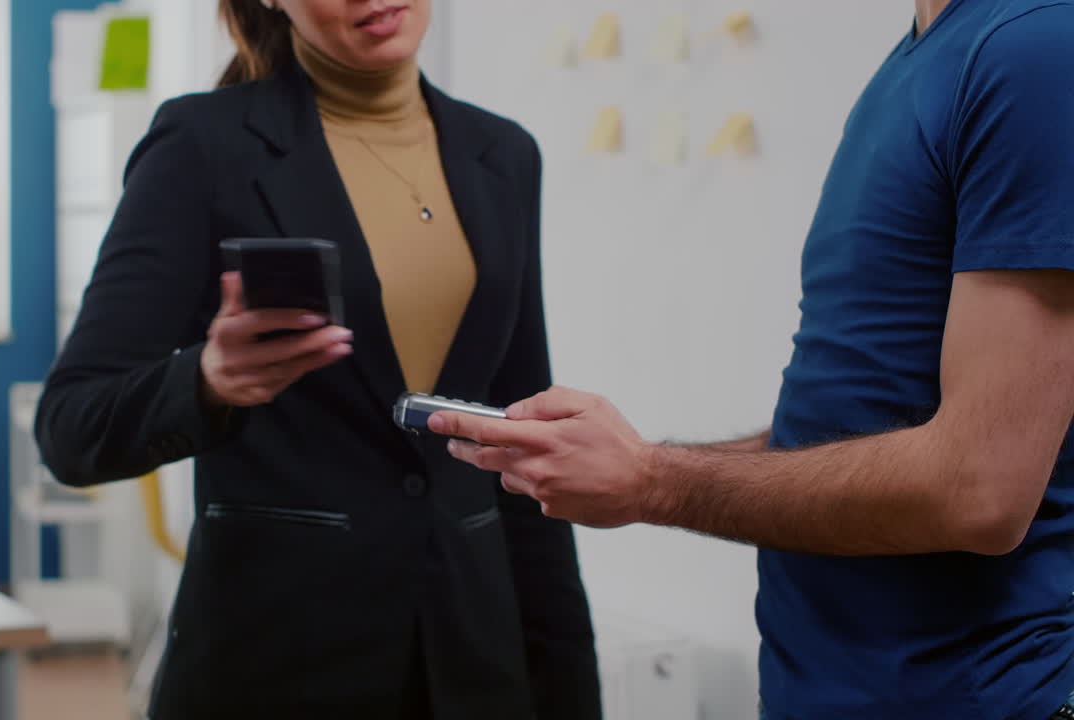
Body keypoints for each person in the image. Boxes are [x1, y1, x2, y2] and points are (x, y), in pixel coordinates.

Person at [430, 0, 1074, 718]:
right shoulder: (920, 57)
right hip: (825, 688)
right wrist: (634, 461)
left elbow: (978, 491)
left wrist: (654, 481)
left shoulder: (1035, 50)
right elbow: (860, 417)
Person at [33, 1, 602, 718]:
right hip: (277, 662)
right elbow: (70, 428)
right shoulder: (203, 146)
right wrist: (206, 382)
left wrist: (569, 690)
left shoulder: (504, 154)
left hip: (473, 657)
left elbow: (523, 435)